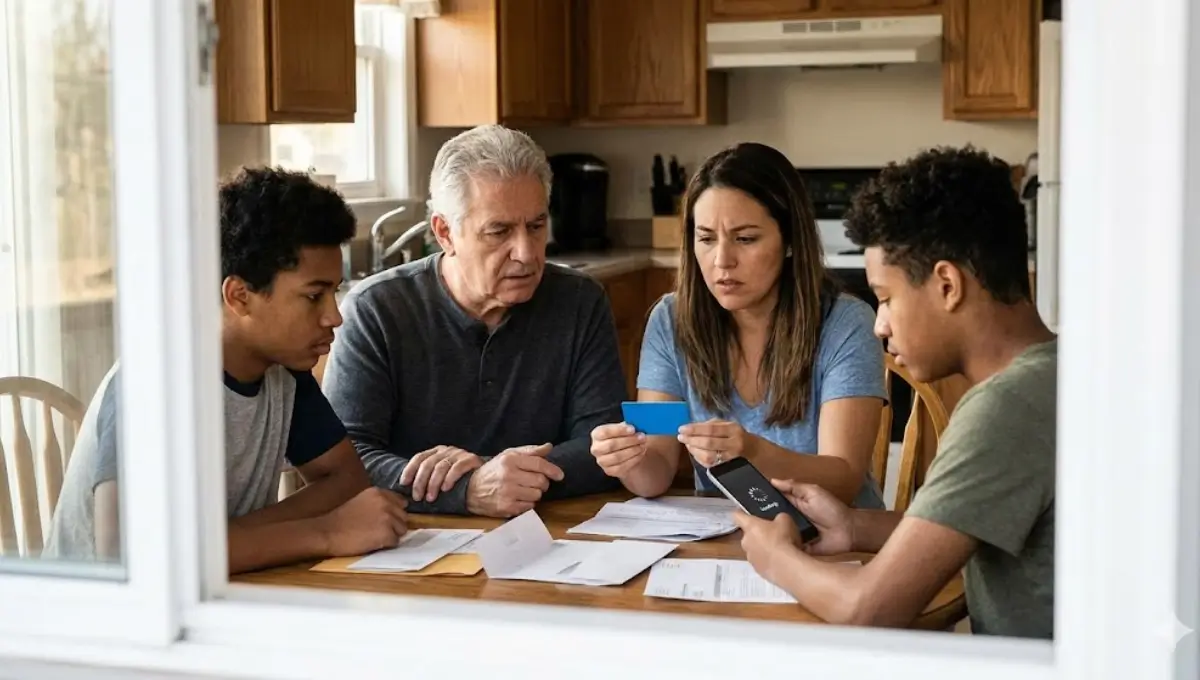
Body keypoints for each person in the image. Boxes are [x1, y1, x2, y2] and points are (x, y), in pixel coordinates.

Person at [731, 146, 1057, 639]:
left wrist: (776, 557)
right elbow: (966, 526)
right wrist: (854, 528)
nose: (880, 325)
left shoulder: (1005, 409)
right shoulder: (1054, 376)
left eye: (885, 299)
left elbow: (867, 609)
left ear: (947, 284)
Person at [44, 167, 410, 573]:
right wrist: (324, 532)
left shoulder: (283, 371)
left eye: (334, 292)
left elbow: (346, 481)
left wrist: (227, 539)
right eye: (313, 296)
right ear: (239, 296)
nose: (334, 317)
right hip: (103, 626)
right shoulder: (157, 382)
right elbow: (127, 555)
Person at [323, 124, 626, 518]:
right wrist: (468, 490)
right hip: (408, 542)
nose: (526, 253)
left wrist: (500, 478)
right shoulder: (375, 310)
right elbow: (344, 464)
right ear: (445, 232)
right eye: (499, 231)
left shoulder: (580, 301)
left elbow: (603, 447)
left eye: (536, 226)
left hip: (550, 536)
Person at [589, 142, 888, 507]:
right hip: (726, 539)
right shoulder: (669, 321)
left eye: (745, 239)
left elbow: (843, 480)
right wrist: (626, 460)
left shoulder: (846, 324)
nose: (722, 260)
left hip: (838, 540)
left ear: (791, 240)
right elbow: (656, 470)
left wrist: (753, 451)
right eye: (706, 239)